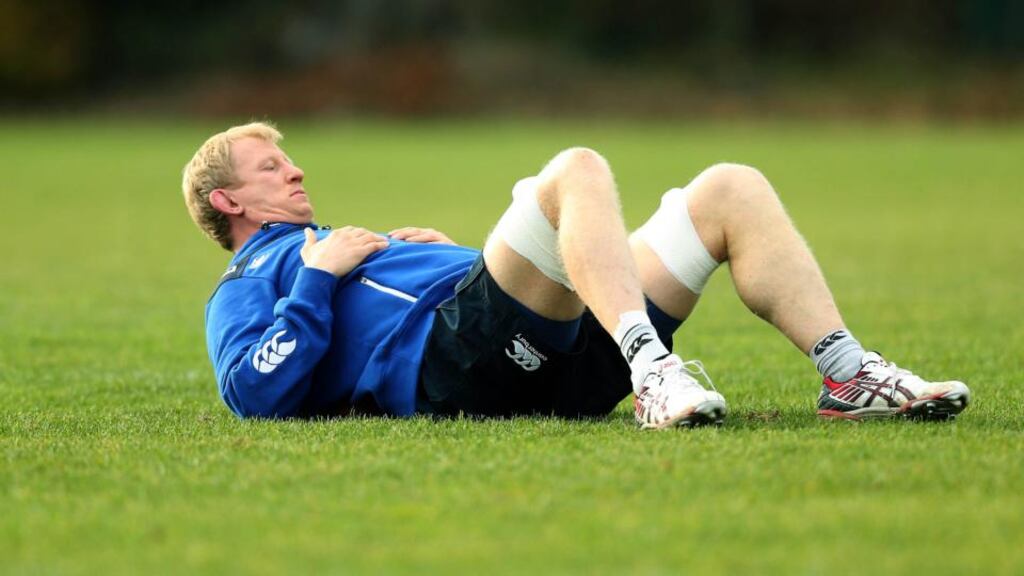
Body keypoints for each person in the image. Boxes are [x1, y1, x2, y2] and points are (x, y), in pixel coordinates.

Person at [182, 121, 970, 428]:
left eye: (288, 158)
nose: (295, 170)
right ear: (227, 200)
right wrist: (318, 279)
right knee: (574, 170)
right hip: (456, 364)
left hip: (547, 351)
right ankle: (655, 374)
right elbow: (252, 393)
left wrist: (452, 258)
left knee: (729, 187)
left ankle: (846, 371)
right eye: (270, 166)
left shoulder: (347, 242)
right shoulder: (250, 284)